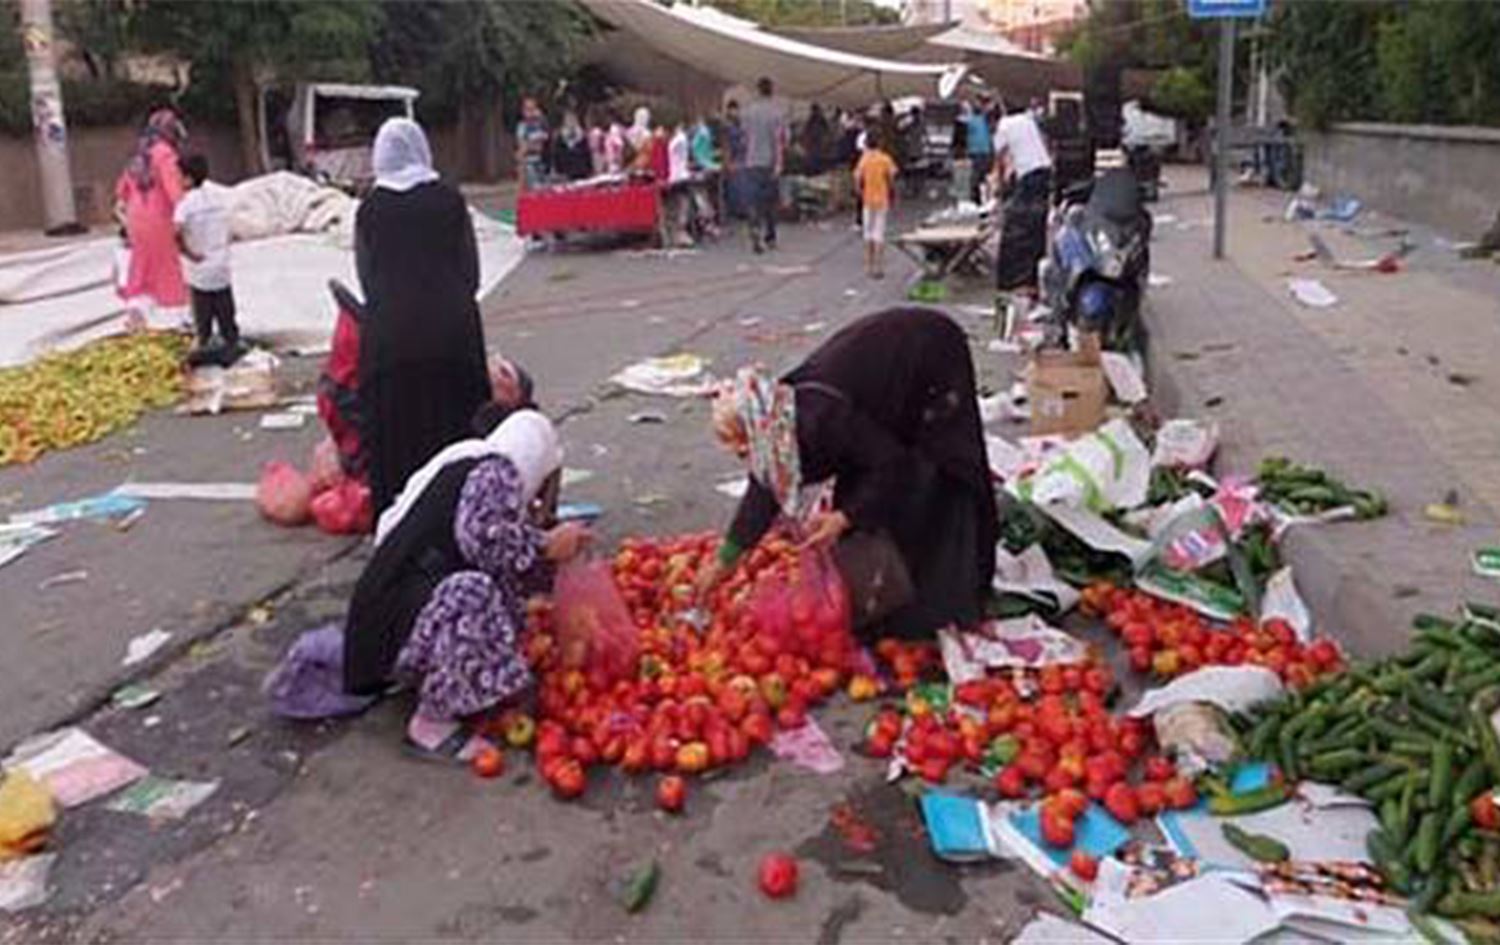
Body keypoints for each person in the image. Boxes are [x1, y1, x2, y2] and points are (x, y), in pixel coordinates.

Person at [698, 308, 998, 641]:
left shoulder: (820, 418)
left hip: (930, 357)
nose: (743, 457)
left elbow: (891, 465)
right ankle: (895, 596)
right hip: (883, 383)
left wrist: (845, 516)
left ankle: (947, 599)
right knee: (870, 498)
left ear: (760, 432)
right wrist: (724, 562)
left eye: (744, 448)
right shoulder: (779, 425)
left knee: (935, 478)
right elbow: (763, 490)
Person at [344, 410, 592, 760]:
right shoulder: (496, 472)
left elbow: (491, 554)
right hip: (395, 621)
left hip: (398, 616)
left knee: (494, 597)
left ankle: (444, 680)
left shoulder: (475, 465)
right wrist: (545, 545)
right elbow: (483, 542)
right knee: (473, 593)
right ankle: (431, 725)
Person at [356, 118, 492, 515]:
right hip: (452, 335)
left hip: (390, 340)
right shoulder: (449, 201)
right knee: (457, 431)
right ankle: (463, 519)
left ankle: (399, 526)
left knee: (397, 437)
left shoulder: (370, 210)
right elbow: (471, 272)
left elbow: (367, 278)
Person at [115, 108, 190, 328]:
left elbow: (121, 193)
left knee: (142, 268)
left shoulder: (138, 155)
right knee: (167, 269)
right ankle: (178, 320)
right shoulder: (165, 155)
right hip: (159, 219)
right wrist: (186, 217)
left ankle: (136, 313)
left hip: (135, 220)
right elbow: (174, 192)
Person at [173, 153, 240, 363]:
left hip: (200, 271)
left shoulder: (186, 204)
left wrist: (188, 253)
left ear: (188, 178)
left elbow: (176, 233)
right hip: (221, 266)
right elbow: (232, 226)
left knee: (204, 321)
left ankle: (206, 355)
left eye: (179, 176)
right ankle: (232, 350)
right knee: (227, 316)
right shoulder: (218, 197)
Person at [992, 100, 1055, 292]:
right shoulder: (1028, 120)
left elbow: (1000, 158)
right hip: (1044, 171)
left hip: (1030, 176)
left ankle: (1015, 280)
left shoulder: (1004, 124)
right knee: (1036, 224)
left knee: (1019, 227)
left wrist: (998, 188)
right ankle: (1032, 276)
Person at [741, 77, 786, 254]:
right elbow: (779, 140)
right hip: (769, 162)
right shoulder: (777, 113)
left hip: (752, 161)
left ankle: (755, 231)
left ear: (757, 91)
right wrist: (779, 163)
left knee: (754, 200)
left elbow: (745, 138)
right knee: (770, 202)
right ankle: (770, 236)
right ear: (771, 91)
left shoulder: (748, 112)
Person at [853, 129, 897, 280]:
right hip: (882, 200)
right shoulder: (885, 159)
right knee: (879, 234)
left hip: (867, 200)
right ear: (880, 143)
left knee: (868, 233)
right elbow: (891, 177)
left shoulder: (864, 159)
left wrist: (859, 191)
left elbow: (857, 177)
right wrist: (891, 191)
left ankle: (869, 266)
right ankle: (879, 267)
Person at [962, 99, 994, 204]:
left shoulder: (970, 121)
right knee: (983, 174)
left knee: (976, 173)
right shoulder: (984, 120)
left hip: (975, 151)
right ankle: (982, 194)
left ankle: (976, 195)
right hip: (985, 151)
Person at [515, 97, 550, 191]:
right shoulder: (522, 126)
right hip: (529, 163)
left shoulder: (541, 124)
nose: (530, 112)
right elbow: (522, 146)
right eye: (527, 109)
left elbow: (544, 142)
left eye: (533, 109)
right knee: (533, 189)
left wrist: (542, 118)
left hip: (543, 161)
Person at [722, 99, 747, 221]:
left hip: (741, 158)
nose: (735, 112)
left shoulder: (739, 125)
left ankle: (741, 210)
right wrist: (727, 162)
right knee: (734, 185)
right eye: (732, 110)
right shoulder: (727, 126)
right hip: (734, 159)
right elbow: (726, 145)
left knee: (741, 185)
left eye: (736, 110)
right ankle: (735, 210)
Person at [552, 110, 592, 181]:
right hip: (566, 170)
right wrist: (558, 170)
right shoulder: (560, 136)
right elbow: (557, 154)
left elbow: (587, 153)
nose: (571, 122)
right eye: (569, 120)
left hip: (582, 169)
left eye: (573, 119)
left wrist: (589, 168)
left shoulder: (582, 135)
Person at [800, 103, 831, 176]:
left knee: (815, 156)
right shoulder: (813, 118)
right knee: (813, 156)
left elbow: (826, 129)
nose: (815, 112)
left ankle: (814, 170)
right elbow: (807, 130)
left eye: (815, 110)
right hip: (813, 141)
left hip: (816, 140)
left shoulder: (817, 118)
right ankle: (812, 170)